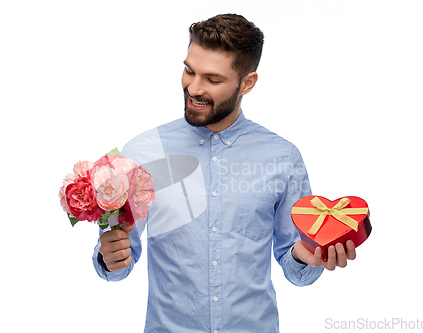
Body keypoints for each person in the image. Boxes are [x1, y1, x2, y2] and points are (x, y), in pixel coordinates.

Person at [92, 13, 356, 332]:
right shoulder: (143, 152)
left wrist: (305, 255)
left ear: (247, 83)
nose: (193, 88)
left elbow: (296, 270)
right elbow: (118, 261)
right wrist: (111, 257)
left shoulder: (282, 157)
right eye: (190, 71)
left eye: (213, 79)